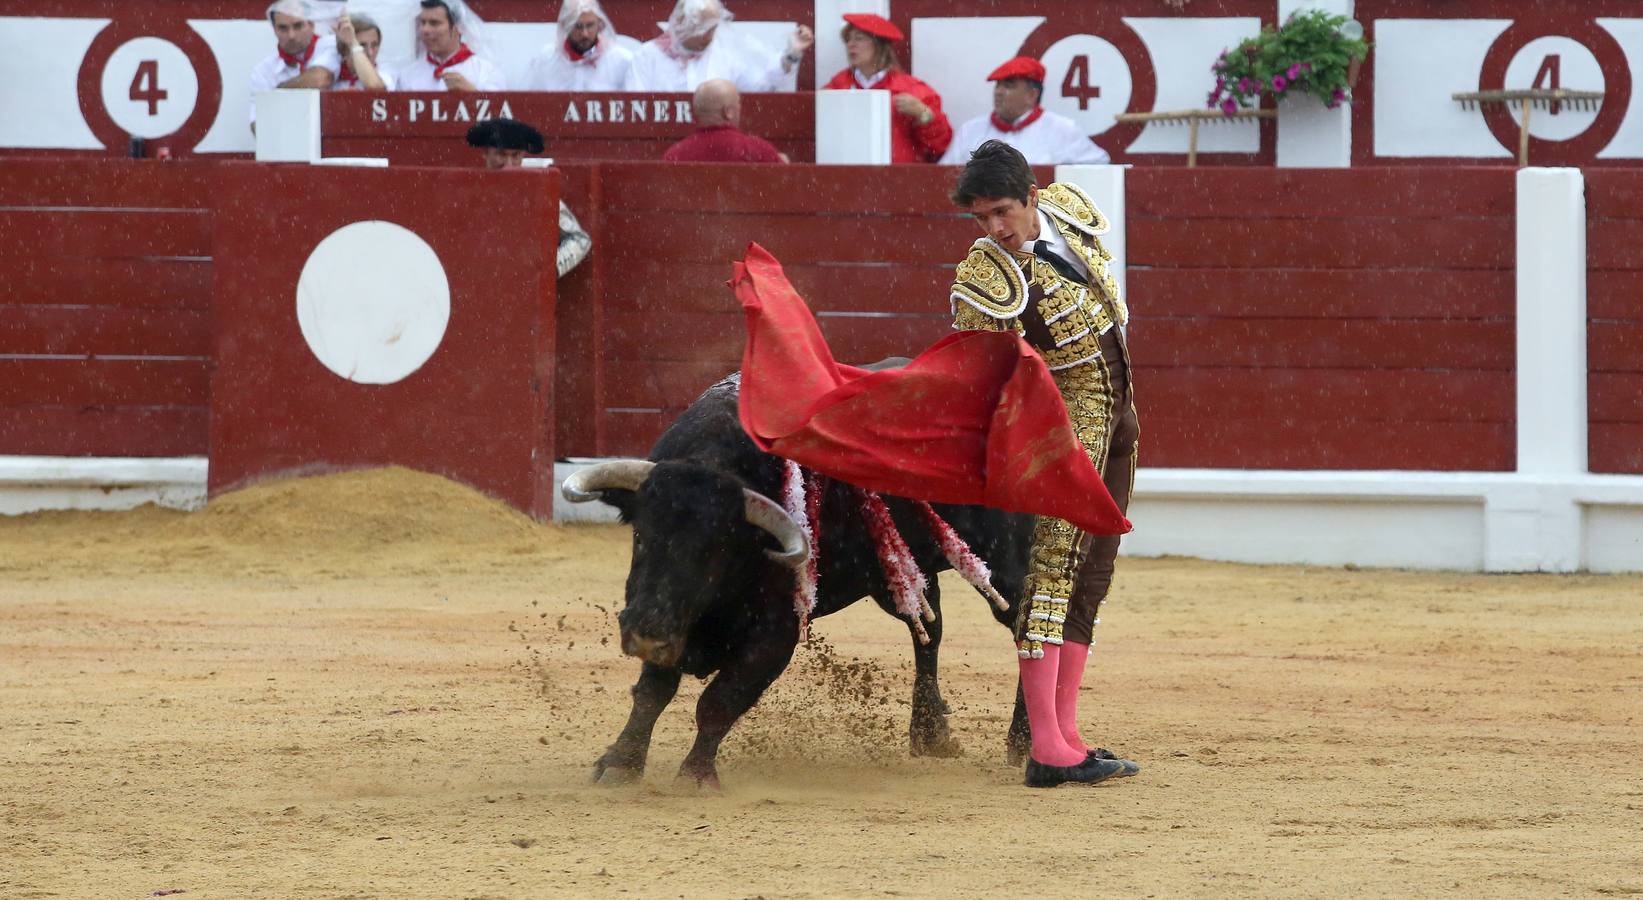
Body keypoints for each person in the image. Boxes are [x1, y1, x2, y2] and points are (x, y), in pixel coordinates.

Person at [947, 140, 1138, 788]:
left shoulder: (1070, 215)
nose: (993, 229)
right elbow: (978, 374)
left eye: (1001, 211)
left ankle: (1067, 733)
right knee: (1051, 573)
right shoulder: (985, 276)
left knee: (1091, 574)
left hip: (1119, 421)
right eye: (980, 218)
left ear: (1032, 196)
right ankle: (1046, 748)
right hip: (1062, 433)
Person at [466, 118, 591, 278]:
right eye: (501, 154)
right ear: (485, 153)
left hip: (522, 287)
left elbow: (580, 240)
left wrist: (547, 269)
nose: (509, 164)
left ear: (522, 155)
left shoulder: (537, 193)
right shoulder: (470, 191)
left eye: (515, 155)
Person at [820, 13, 951, 164]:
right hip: (846, 172)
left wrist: (924, 114)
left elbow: (939, 147)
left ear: (879, 45)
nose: (851, 44)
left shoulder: (913, 90)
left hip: (899, 175)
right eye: (848, 39)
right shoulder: (836, 86)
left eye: (859, 38)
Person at [940, 57, 1110, 166]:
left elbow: (1099, 167)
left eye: (1009, 86)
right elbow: (944, 176)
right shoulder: (970, 130)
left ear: (1031, 95)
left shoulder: (1063, 130)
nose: (999, 92)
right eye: (998, 85)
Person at [624, 0, 814, 94]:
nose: (710, 37)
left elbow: (762, 86)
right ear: (681, 23)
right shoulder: (647, 56)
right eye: (703, 29)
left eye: (713, 29)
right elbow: (635, 107)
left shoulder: (723, 55)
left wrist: (791, 55)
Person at [249, 0, 341, 125]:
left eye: (298, 26)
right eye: (283, 28)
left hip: (332, 130)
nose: (291, 35)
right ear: (274, 30)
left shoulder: (330, 44)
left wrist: (276, 93)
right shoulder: (263, 70)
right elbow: (256, 124)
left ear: (311, 24)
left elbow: (320, 79)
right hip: (288, 135)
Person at [662, 80, 785, 163]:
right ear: (728, 112)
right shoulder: (759, 151)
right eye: (738, 103)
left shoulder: (674, 156)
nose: (740, 108)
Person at [396, 0, 506, 92]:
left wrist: (472, 94)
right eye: (423, 22)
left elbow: (498, 110)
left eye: (434, 23)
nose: (425, 30)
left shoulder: (486, 72)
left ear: (458, 27)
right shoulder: (407, 76)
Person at [526, 0, 633, 92]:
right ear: (565, 26)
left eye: (590, 25)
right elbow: (531, 101)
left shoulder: (621, 60)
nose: (584, 34)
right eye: (577, 26)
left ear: (600, 24)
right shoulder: (546, 60)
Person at [332, 12, 395, 91]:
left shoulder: (385, 71)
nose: (370, 53)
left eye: (374, 45)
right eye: (362, 45)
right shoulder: (332, 73)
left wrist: (353, 43)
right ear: (344, 48)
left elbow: (375, 86)